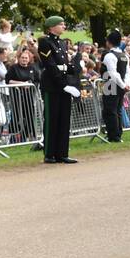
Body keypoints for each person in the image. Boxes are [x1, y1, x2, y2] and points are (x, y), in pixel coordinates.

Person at [38, 16, 79, 164]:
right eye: (60, 24)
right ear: (51, 27)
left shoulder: (62, 43)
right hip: (52, 85)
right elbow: (50, 65)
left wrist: (74, 69)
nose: (64, 26)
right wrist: (63, 85)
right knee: (52, 119)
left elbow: (63, 65)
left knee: (64, 120)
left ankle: (62, 153)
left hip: (63, 84)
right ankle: (49, 154)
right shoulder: (45, 42)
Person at [99, 29, 130, 143]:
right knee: (117, 110)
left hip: (110, 85)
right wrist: (127, 84)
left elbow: (113, 73)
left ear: (108, 42)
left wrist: (123, 85)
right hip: (120, 85)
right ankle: (118, 134)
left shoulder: (109, 55)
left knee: (110, 111)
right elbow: (127, 72)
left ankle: (114, 136)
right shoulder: (124, 55)